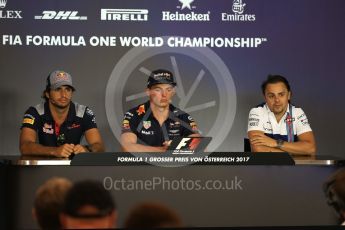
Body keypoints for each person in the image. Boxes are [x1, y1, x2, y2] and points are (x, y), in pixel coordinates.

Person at [19, 70, 105, 157]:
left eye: (68, 89)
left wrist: (87, 149)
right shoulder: (35, 112)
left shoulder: (83, 112)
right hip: (41, 168)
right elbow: (25, 146)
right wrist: (55, 151)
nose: (63, 95)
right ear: (47, 94)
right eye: (58, 89)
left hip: (72, 169)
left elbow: (99, 146)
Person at [121, 69, 200, 152]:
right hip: (142, 164)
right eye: (158, 90)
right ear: (148, 92)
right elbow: (126, 147)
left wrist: (175, 146)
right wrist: (163, 150)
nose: (164, 95)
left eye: (168, 90)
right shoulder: (133, 115)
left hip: (173, 165)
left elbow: (200, 147)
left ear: (173, 92)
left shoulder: (183, 116)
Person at [247, 75, 316, 155]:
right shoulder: (257, 111)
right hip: (265, 166)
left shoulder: (297, 112)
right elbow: (258, 149)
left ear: (289, 95)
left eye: (281, 94)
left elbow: (310, 148)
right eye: (271, 96)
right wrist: (293, 152)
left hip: (293, 167)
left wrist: (276, 143)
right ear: (265, 97)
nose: (277, 100)